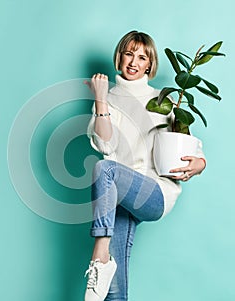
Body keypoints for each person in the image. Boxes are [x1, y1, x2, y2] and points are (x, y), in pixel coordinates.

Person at [83, 30, 206, 301]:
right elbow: (106, 145)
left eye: (142, 57)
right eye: (129, 53)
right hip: (118, 198)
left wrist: (201, 162)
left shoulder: (163, 99)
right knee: (114, 290)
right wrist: (101, 99)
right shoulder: (109, 98)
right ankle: (106, 266)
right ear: (120, 56)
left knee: (104, 169)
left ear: (150, 64)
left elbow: (188, 143)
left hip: (155, 193)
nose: (134, 62)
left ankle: (99, 257)